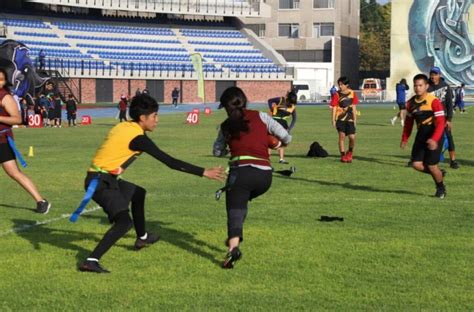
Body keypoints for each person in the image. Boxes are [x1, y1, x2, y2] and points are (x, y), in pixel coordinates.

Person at [78, 93, 225, 273]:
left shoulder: (125, 126)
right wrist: (204, 172)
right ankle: (90, 260)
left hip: (103, 178)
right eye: (154, 115)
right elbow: (170, 162)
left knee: (138, 193)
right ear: (143, 117)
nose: (157, 120)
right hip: (100, 182)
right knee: (123, 223)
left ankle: (142, 237)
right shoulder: (138, 139)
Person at [213, 87, 292, 269]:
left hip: (241, 172)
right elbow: (286, 138)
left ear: (226, 107)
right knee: (241, 202)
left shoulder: (225, 126)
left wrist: (227, 147)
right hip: (265, 176)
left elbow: (217, 151)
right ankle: (235, 233)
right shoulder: (261, 116)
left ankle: (233, 247)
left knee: (234, 209)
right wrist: (277, 143)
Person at [0, 68, 51, 213]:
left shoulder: (5, 97)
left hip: (2, 141)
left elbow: (17, 119)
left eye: (1, 79)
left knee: (14, 173)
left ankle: (41, 201)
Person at [401, 74, 447, 198]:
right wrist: (405, 138)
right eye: (415, 85)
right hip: (421, 135)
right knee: (416, 164)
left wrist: (435, 139)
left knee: (432, 165)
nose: (417, 88)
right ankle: (439, 173)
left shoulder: (434, 101)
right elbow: (408, 123)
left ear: (426, 86)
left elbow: (441, 122)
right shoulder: (410, 103)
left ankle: (441, 188)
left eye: (420, 85)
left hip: (434, 135)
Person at [428, 66, 458, 169]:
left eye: (435, 74)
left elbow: (449, 104)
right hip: (430, 117)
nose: (433, 76)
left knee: (449, 138)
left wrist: (449, 119)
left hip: (443, 118)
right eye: (431, 74)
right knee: (425, 137)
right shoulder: (427, 87)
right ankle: (417, 158)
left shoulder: (445, 87)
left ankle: (453, 161)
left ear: (439, 75)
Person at [331, 76, 358, 163]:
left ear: (347, 85)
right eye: (339, 84)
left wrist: (355, 120)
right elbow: (334, 107)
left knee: (352, 137)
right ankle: (343, 155)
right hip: (340, 119)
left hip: (350, 119)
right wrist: (333, 120)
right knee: (341, 137)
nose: (340, 86)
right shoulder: (336, 94)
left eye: (342, 85)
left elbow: (354, 108)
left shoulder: (352, 93)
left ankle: (349, 153)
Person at [267, 91, 297, 164]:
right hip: (282, 124)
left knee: (269, 140)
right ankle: (281, 159)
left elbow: (269, 101)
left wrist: (272, 108)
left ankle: (268, 158)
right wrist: (289, 128)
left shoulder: (281, 100)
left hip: (274, 122)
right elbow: (294, 119)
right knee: (282, 142)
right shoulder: (291, 106)